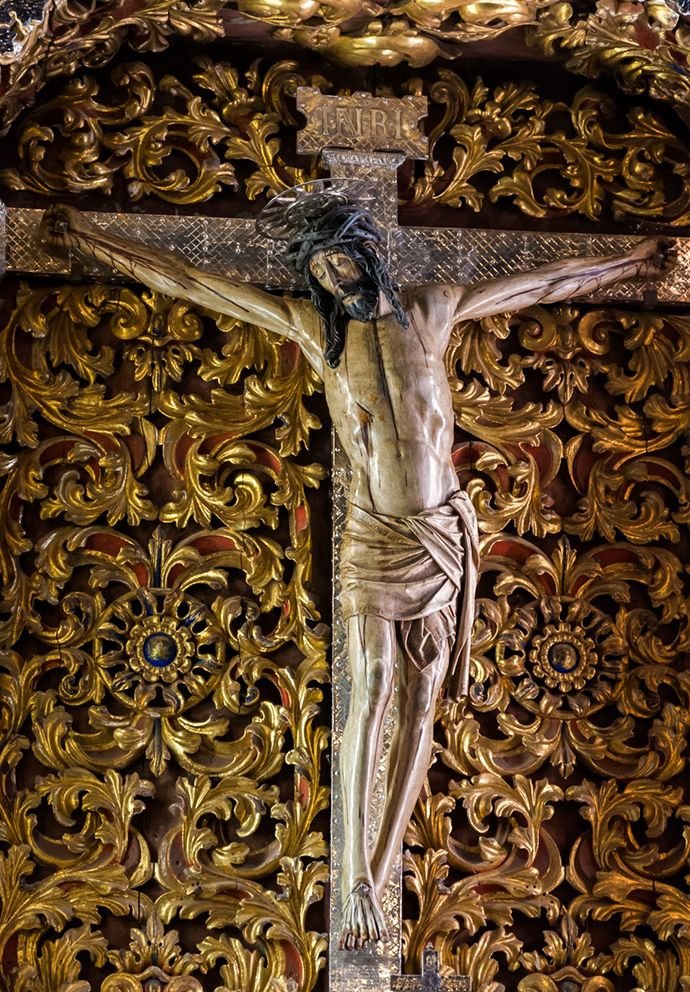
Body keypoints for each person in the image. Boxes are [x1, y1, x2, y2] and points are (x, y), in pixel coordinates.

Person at [40, 200, 674, 950]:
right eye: (321, 271)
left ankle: (381, 862)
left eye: (341, 261)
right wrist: (94, 241)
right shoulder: (319, 336)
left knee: (421, 702)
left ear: (368, 255)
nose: (335, 279)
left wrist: (631, 260)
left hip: (435, 534)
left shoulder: (432, 313)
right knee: (372, 689)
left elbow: (538, 285)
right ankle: (356, 880)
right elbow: (200, 285)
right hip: (374, 537)